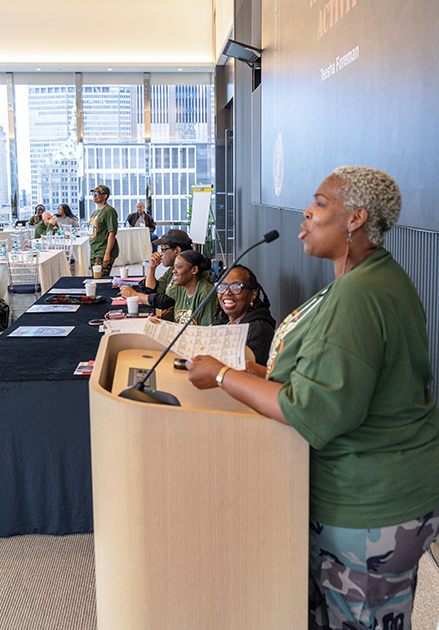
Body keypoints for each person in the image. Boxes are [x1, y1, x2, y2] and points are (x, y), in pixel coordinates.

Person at [186, 166, 439, 630]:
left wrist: (222, 375)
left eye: (321, 203)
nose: (306, 211)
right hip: (387, 491)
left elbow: (310, 410)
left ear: (356, 219)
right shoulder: (371, 277)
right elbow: (340, 378)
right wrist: (261, 375)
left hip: (368, 505)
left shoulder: (358, 295)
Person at [119, 229, 193, 318]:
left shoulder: (186, 272)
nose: (160, 254)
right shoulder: (172, 270)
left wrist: (135, 295)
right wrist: (152, 268)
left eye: (163, 249)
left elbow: (165, 301)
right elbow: (151, 290)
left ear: (177, 251)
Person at [212, 265, 275, 366]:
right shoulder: (220, 324)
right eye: (222, 287)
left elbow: (248, 368)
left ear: (253, 294)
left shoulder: (259, 328)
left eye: (236, 287)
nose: (227, 292)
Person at [166, 249, 216, 325]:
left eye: (178, 267)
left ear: (194, 270)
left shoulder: (206, 293)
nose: (174, 271)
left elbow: (207, 330)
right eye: (174, 267)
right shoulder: (179, 288)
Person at [88, 184, 119, 277]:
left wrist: (107, 254)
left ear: (105, 196)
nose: (94, 196)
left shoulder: (109, 211)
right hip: (95, 250)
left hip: (103, 250)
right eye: (94, 193)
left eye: (97, 193)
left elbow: (112, 233)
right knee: (95, 278)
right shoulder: (96, 211)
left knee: (101, 280)